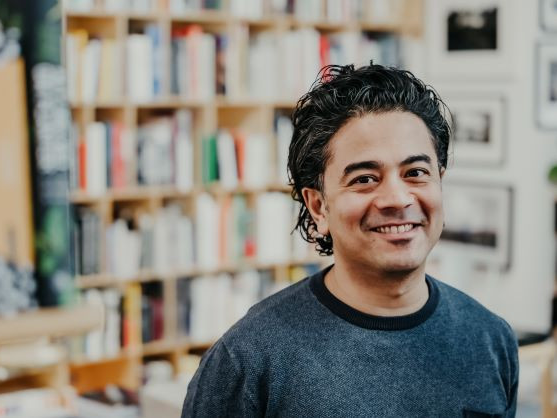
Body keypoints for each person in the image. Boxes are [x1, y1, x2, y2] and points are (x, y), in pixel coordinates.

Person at [182, 64, 518, 417]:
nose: (397, 198)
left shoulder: (490, 340)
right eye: (364, 179)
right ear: (318, 207)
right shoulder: (247, 360)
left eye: (416, 173)